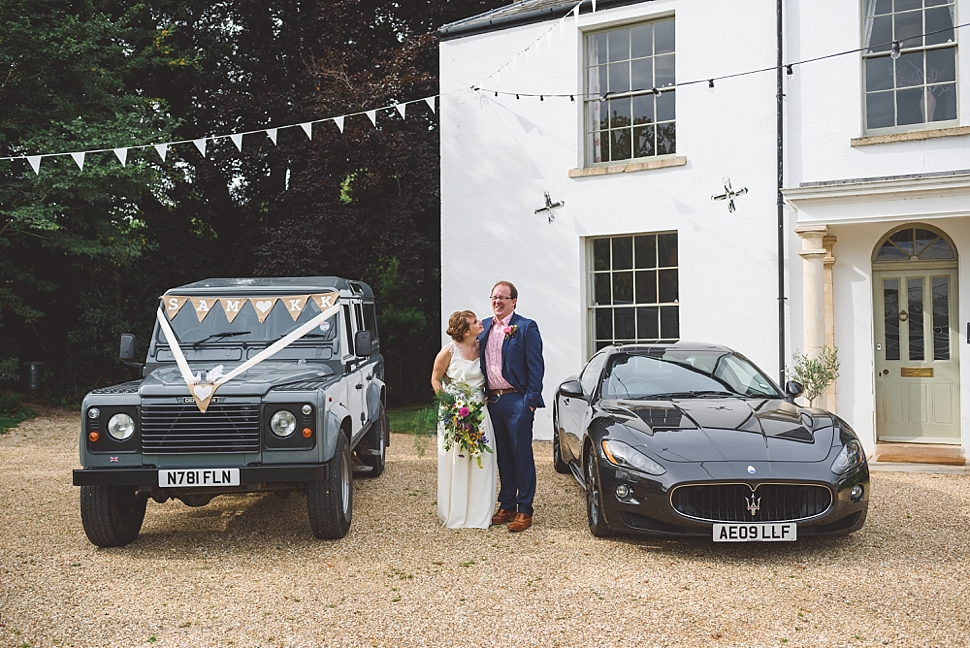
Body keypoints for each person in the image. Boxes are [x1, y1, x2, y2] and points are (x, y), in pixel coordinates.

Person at [479, 281, 544, 533]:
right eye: (494, 297)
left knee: (521, 455)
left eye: (503, 298)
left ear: (514, 301)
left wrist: (529, 402)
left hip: (517, 400)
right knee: (503, 455)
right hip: (492, 401)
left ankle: (524, 509)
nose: (498, 301)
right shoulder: (484, 326)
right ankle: (507, 504)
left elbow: (536, 367)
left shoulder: (526, 327)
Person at [431, 310, 497, 529]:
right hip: (455, 412)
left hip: (479, 410)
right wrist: (449, 404)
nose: (481, 323)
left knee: (482, 460)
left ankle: (479, 514)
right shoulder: (448, 351)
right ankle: (456, 511)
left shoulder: (483, 347)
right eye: (475, 322)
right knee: (458, 460)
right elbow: (435, 380)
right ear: (465, 330)